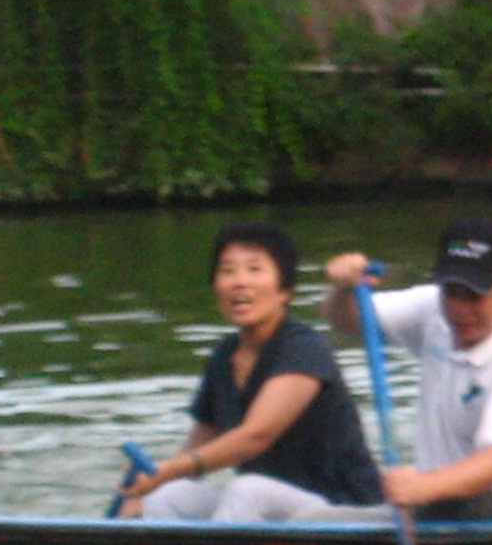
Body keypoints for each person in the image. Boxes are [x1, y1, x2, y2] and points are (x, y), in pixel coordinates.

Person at [116, 222, 382, 521]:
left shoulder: (304, 348)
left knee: (247, 491)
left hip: (343, 509)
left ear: (284, 290)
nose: (239, 282)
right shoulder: (224, 356)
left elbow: (255, 436)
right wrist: (148, 484)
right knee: (170, 495)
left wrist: (168, 469)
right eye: (228, 271)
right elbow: (196, 450)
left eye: (254, 270)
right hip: (271, 510)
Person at [323, 216, 492, 520]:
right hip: (440, 500)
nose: (459, 309)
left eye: (474, 296)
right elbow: (348, 321)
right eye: (451, 292)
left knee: (444, 503)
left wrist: (421, 486)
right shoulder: (432, 308)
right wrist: (343, 289)